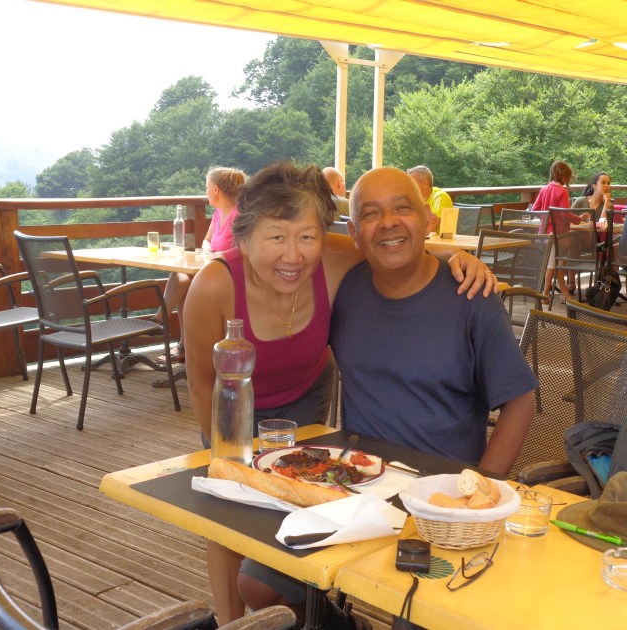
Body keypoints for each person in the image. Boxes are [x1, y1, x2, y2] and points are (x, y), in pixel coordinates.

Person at [183, 162, 495, 625]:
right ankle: (232, 621)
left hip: (307, 401)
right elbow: (201, 381)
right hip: (234, 406)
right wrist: (223, 450)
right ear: (243, 238)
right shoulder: (213, 286)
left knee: (308, 500)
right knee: (229, 510)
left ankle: (313, 603)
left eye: (307, 236)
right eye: (275, 237)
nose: (293, 255)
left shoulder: (336, 258)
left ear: (324, 237)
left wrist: (456, 259)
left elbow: (400, 252)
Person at [332, 167, 537, 470]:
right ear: (353, 232)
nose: (389, 221)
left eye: (403, 208)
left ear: (429, 219)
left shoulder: (471, 295)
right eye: (371, 214)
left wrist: (481, 486)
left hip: (441, 490)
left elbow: (520, 402)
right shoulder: (343, 288)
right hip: (359, 483)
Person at [155, 166, 245, 364]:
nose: (205, 192)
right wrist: (206, 250)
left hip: (227, 275)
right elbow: (207, 239)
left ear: (215, 190)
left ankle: (161, 324)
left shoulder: (240, 215)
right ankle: (179, 341)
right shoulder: (218, 213)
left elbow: (243, 249)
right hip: (210, 268)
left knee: (185, 281)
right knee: (181, 277)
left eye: (206, 187)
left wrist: (216, 256)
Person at [533, 160, 589, 301]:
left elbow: (535, 210)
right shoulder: (562, 191)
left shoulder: (544, 189)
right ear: (564, 176)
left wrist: (546, 220)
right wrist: (580, 218)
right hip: (559, 235)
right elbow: (565, 214)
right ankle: (545, 295)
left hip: (544, 233)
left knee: (557, 263)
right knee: (554, 264)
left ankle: (564, 293)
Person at [406, 165, 452, 233]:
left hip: (441, 242)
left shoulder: (440, 197)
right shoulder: (413, 200)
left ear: (424, 183)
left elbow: (431, 228)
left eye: (411, 183)